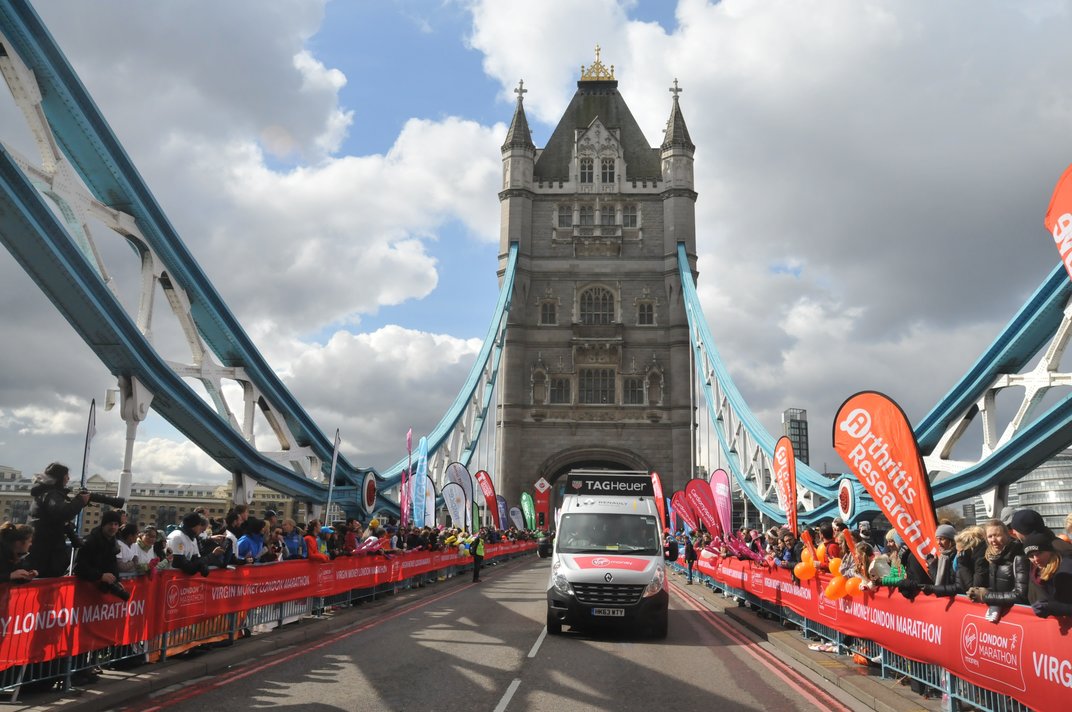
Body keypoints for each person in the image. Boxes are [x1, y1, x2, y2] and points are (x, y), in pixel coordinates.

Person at [27, 462, 122, 577]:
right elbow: (64, 513)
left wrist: (75, 539)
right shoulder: (50, 495)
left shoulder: (46, 493)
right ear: (61, 477)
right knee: (44, 582)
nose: (68, 479)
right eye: (66, 476)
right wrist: (80, 501)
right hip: (46, 551)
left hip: (46, 547)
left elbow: (59, 521)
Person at [967, 520, 1028, 617]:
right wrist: (980, 591)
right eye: (990, 536)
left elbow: (1020, 595)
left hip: (1019, 615)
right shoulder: (991, 557)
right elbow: (997, 589)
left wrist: (986, 596)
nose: (993, 540)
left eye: (997, 535)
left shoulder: (1019, 555)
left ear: (1007, 535)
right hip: (1002, 615)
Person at [74, 510, 130, 600]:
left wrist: (116, 581)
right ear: (103, 525)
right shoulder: (90, 541)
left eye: (116, 524)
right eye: (110, 524)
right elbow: (79, 567)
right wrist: (100, 576)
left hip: (99, 595)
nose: (113, 527)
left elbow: (112, 564)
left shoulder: (113, 543)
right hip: (84, 592)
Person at [1023, 532, 1072, 618]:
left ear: (1050, 551)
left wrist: (1050, 607)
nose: (1036, 559)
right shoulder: (1035, 571)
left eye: (1039, 553)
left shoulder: (1066, 570)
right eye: (1031, 556)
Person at [921, 524, 958, 596]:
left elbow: (955, 584)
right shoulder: (941, 557)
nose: (938, 543)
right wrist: (932, 566)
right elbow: (938, 581)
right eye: (937, 539)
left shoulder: (957, 557)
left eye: (942, 539)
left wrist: (933, 567)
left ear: (951, 540)